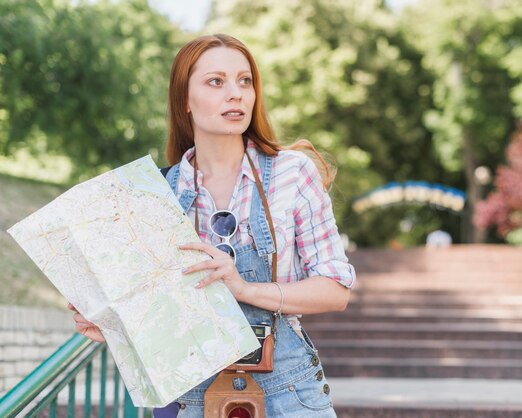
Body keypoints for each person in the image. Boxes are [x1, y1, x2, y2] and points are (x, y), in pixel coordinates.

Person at [69, 33, 356, 417]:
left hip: (290, 394)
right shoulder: (154, 194)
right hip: (188, 397)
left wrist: (245, 288)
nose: (235, 93)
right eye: (215, 82)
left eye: (245, 81)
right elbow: (155, 316)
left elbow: (335, 290)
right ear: (184, 101)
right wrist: (111, 325)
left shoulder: (292, 173)